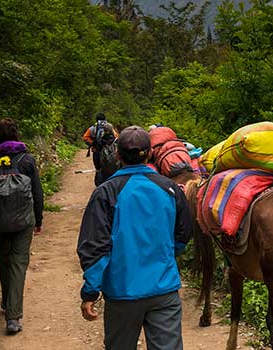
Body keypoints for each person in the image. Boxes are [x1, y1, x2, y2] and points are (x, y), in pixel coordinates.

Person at [77, 126, 192, 350]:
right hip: (164, 290)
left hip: (122, 292)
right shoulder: (169, 189)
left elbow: (94, 247)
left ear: (118, 154)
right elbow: (183, 233)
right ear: (150, 154)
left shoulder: (106, 192)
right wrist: (166, 256)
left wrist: (91, 291)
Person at [0, 118, 43, 334]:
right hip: (24, 221)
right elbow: (37, 192)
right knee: (18, 264)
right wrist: (38, 219)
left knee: (4, 262)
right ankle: (13, 317)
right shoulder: (27, 160)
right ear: (16, 135)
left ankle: (7, 304)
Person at [83, 112, 119, 186]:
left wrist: (93, 143)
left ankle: (99, 185)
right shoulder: (110, 127)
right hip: (109, 152)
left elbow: (85, 138)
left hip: (97, 151)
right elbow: (116, 137)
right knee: (109, 167)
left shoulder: (93, 128)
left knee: (98, 168)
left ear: (96, 119)